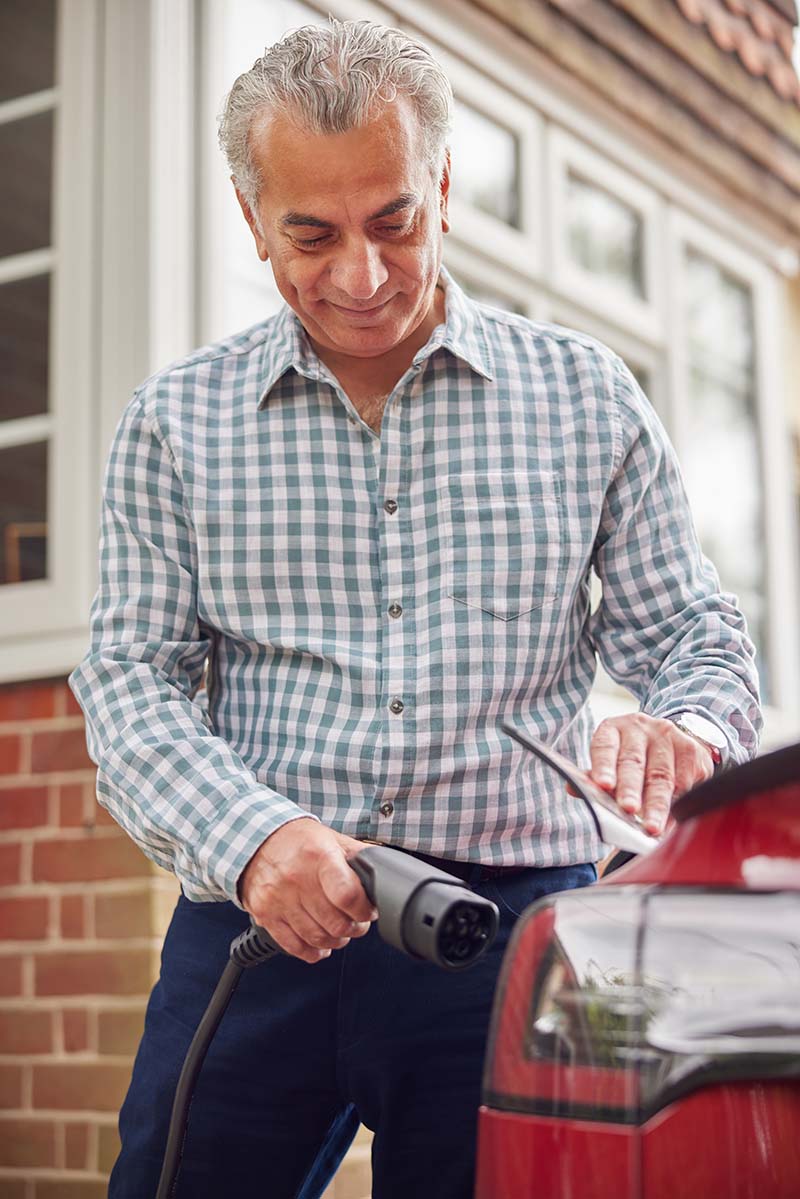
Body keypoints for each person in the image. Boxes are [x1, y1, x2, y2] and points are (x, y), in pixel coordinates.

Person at [69, 18, 761, 1199]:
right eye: (311, 234)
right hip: (256, 919)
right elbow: (129, 681)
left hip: (514, 942)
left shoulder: (585, 395)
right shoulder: (174, 424)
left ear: (441, 186)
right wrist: (250, 840)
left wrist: (684, 728)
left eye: (393, 220)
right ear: (251, 221)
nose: (359, 275)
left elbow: (695, 636)